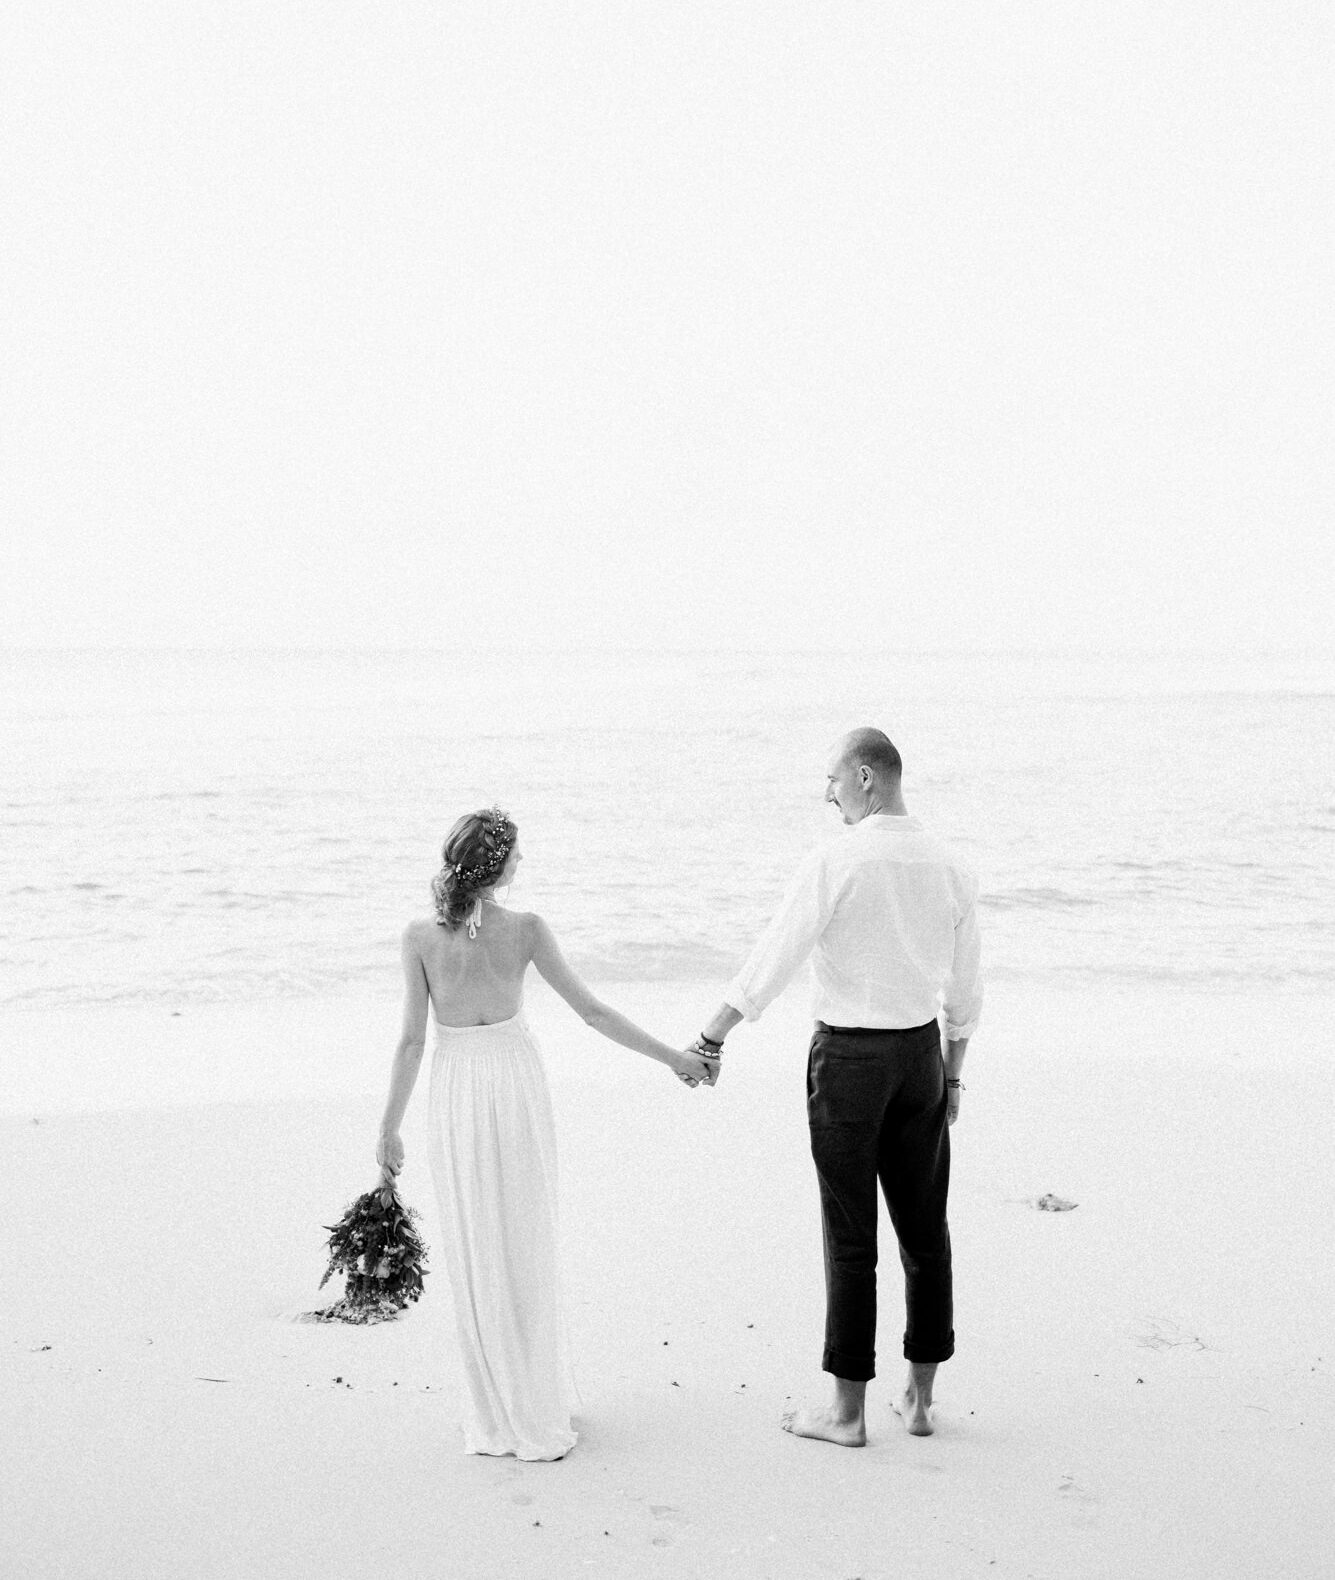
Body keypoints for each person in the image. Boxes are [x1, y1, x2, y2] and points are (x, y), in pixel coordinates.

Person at [376, 807, 716, 1461]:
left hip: (456, 1091)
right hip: (512, 1083)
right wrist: (673, 1057)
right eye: (517, 854)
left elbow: (413, 1041)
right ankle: (532, 1403)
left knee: (477, 1240)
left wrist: (388, 1129)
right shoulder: (527, 930)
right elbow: (591, 1012)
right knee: (522, 1233)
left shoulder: (418, 936)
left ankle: (494, 1413)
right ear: (496, 865)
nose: (521, 864)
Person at [684, 727, 982, 1444]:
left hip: (849, 1063)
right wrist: (951, 1078)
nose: (826, 794)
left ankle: (846, 1414)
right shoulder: (949, 865)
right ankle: (917, 1401)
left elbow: (774, 954)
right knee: (925, 1234)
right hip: (918, 1061)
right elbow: (965, 988)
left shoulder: (839, 859)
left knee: (851, 1239)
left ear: (866, 777)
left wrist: (712, 1034)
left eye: (832, 780)